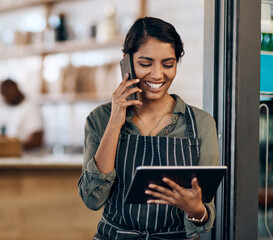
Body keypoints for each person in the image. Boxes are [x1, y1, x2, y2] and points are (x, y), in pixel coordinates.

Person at [78, 17, 219, 239]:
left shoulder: (201, 124)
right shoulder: (100, 119)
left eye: (168, 64)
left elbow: (205, 218)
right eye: (145, 63)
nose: (157, 75)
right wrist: (115, 121)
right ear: (127, 62)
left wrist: (195, 209)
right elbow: (92, 199)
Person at [0, 79, 44, 149]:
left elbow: (37, 140)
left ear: (14, 89)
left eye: (5, 94)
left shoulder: (30, 108)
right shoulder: (15, 109)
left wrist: (12, 146)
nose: (4, 99)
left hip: (29, 158)